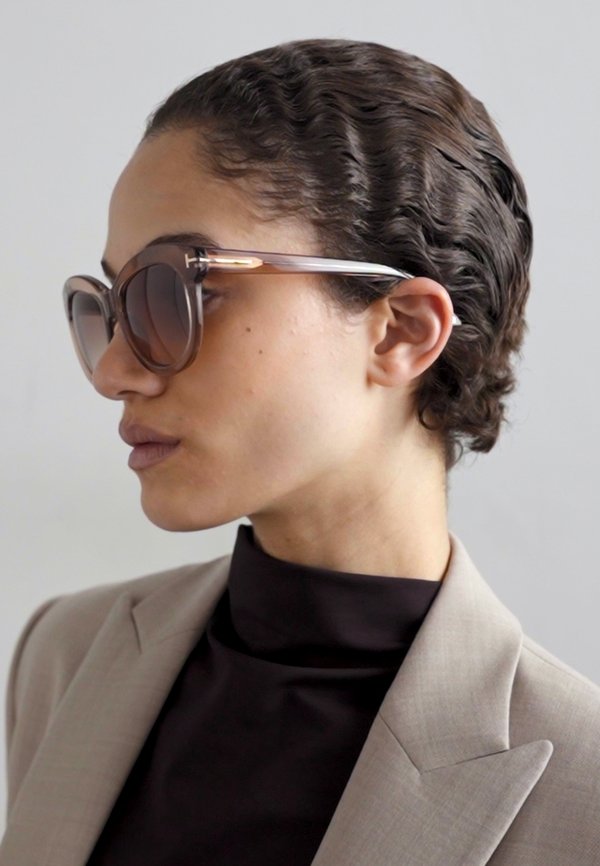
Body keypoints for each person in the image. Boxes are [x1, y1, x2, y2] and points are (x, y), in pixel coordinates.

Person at [1, 37, 599, 866]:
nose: (112, 371)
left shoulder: (581, 786)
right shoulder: (66, 656)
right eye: (113, 304)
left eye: (175, 291)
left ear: (401, 331)